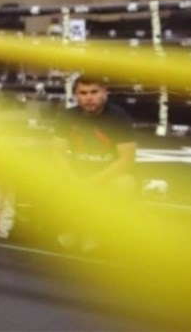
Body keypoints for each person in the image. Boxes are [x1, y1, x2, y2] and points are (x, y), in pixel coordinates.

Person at [51, 73, 137, 252]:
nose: (88, 97)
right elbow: (57, 154)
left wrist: (94, 181)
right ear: (76, 95)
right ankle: (70, 229)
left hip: (106, 174)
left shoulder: (119, 118)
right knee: (49, 176)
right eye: (83, 93)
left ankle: (96, 231)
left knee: (126, 183)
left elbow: (126, 159)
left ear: (105, 93)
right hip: (77, 172)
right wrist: (73, 180)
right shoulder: (67, 116)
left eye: (94, 92)